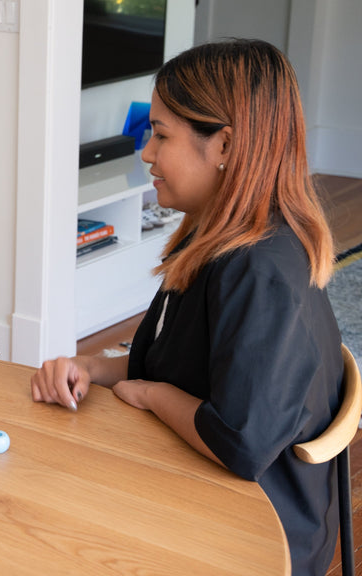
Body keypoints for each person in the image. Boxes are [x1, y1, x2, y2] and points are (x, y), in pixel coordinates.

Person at [30, 39, 342, 575]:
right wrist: (93, 368)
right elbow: (180, 363)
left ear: (223, 146)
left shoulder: (259, 269)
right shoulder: (214, 238)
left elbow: (239, 444)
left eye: (161, 134)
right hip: (214, 486)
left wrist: (151, 394)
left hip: (260, 530)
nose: (146, 153)